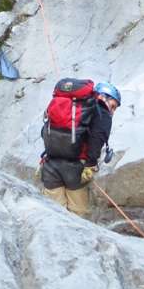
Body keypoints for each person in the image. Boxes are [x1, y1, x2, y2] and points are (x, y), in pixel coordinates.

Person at [39, 79, 120, 217]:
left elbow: (46, 130)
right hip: (76, 169)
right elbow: (97, 138)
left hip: (50, 165)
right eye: (113, 106)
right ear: (103, 97)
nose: (112, 111)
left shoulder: (69, 104)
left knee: (53, 214)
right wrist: (91, 165)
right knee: (78, 215)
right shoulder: (101, 111)